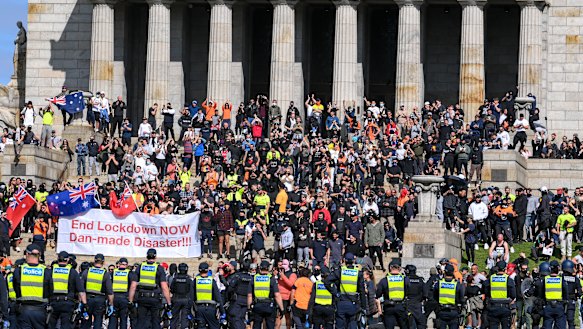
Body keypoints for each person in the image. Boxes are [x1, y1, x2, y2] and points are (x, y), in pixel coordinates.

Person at [128, 248, 173, 329]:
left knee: (140, 322)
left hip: (142, 298)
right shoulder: (159, 268)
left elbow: (133, 286)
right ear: (155, 257)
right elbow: (164, 287)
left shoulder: (140, 267)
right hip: (154, 298)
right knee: (155, 322)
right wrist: (169, 302)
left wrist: (130, 301)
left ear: (147, 256)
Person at [13, 244, 52, 329]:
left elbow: (15, 288)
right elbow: (50, 291)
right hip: (41, 311)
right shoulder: (46, 271)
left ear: (27, 254)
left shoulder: (19, 270)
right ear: (39, 255)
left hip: (23, 310)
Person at [325, 252, 367, 329]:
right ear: (354, 261)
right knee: (353, 324)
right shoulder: (358, 273)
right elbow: (362, 291)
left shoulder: (340, 271)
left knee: (340, 325)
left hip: (341, 302)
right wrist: (363, 307)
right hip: (353, 303)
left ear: (344, 260)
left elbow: (327, 281)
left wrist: (335, 293)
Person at [48, 251, 87, 329]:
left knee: (51, 325)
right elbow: (81, 291)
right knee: (66, 325)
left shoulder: (51, 271)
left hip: (53, 302)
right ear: (68, 259)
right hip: (67, 303)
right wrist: (85, 305)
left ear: (58, 259)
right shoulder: (72, 272)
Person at [247, 260, 284, 329]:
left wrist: (249, 308)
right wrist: (281, 309)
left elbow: (249, 296)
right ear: (268, 268)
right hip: (269, 306)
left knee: (256, 325)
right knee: (270, 326)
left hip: (257, 306)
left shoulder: (254, 278)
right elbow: (277, 295)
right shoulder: (271, 279)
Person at [81, 253, 114, 329]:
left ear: (94, 260)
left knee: (85, 322)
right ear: (103, 262)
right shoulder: (105, 274)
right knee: (98, 322)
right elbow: (109, 291)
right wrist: (111, 304)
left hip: (87, 299)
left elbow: (81, 289)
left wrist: (81, 302)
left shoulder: (87, 271)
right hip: (100, 300)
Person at [533, 260, 568, 329]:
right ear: (558, 269)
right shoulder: (561, 280)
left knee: (547, 325)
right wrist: (564, 303)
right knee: (560, 326)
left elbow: (541, 294)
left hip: (548, 306)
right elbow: (565, 293)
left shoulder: (545, 280)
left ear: (549, 268)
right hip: (559, 306)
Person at [375, 260, 408, 329]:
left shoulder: (384, 280)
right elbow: (409, 291)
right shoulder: (405, 279)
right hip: (401, 306)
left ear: (390, 268)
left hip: (388, 307)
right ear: (399, 268)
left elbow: (378, 295)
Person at [483, 261, 516, 329]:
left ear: (497, 268)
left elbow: (485, 290)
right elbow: (513, 295)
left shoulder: (491, 279)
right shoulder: (508, 279)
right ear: (505, 268)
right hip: (505, 307)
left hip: (493, 307)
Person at [192, 262, 225, 329]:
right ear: (207, 270)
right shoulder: (212, 281)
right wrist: (222, 311)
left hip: (199, 309)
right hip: (211, 309)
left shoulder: (195, 281)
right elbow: (218, 297)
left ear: (199, 270)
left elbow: (191, 297)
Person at [433, 264, 465, 329]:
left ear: (445, 272)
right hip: (453, 311)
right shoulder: (457, 284)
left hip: (441, 311)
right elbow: (462, 299)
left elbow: (434, 296)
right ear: (453, 272)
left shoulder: (439, 283)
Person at [109, 258, 135, 329]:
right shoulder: (129, 273)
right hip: (124, 298)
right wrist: (130, 300)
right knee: (123, 320)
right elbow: (132, 287)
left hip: (114, 298)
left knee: (113, 320)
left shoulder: (113, 272)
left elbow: (109, 286)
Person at [226, 261, 253, 329]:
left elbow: (230, 288)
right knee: (241, 317)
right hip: (247, 300)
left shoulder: (237, 276)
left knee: (235, 318)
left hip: (237, 300)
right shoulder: (251, 278)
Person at [169, 263, 192, 329]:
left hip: (176, 299)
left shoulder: (175, 279)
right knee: (184, 318)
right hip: (186, 299)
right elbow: (191, 290)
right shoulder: (188, 279)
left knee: (174, 318)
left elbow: (172, 289)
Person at [404, 264, 427, 329]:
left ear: (407, 271)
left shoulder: (405, 280)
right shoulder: (420, 280)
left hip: (408, 304)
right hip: (418, 305)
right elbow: (425, 294)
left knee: (411, 324)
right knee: (420, 324)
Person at [560, 260, 581, 329]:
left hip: (561, 301)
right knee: (571, 320)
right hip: (571, 301)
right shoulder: (576, 279)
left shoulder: (560, 278)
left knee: (561, 320)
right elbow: (579, 293)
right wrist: (576, 296)